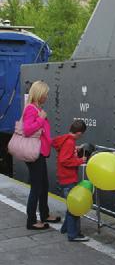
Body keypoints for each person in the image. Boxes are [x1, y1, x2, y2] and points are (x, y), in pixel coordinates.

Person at [23, 80, 61, 230]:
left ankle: (44, 214)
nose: (47, 96)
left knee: (43, 185)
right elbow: (27, 130)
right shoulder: (31, 109)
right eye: (45, 94)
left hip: (41, 152)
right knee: (36, 187)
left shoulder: (37, 108)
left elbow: (43, 133)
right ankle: (31, 221)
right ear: (39, 94)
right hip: (35, 154)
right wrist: (41, 118)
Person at [52, 120, 88, 242]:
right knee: (74, 207)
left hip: (65, 178)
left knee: (71, 205)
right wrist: (80, 161)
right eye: (81, 134)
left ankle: (66, 228)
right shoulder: (69, 142)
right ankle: (74, 234)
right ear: (78, 133)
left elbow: (65, 154)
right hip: (69, 179)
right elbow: (64, 160)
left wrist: (75, 150)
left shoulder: (66, 140)